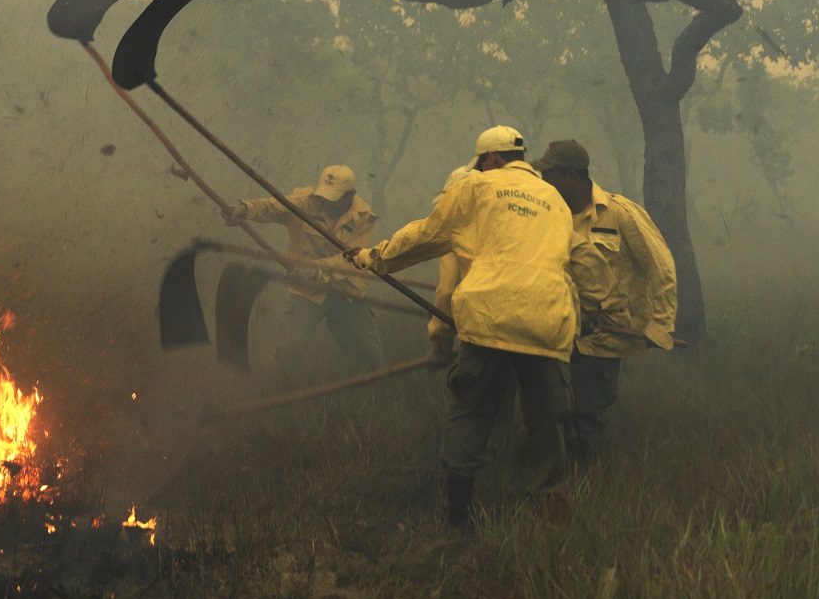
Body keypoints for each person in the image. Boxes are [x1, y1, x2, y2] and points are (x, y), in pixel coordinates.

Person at [347, 126, 610, 530]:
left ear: (488, 159)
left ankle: (458, 517)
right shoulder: (555, 202)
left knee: (471, 412)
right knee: (546, 422)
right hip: (547, 323)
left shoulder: (475, 188)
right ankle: (544, 512)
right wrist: (592, 308)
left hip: (489, 318)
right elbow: (583, 262)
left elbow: (424, 236)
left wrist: (372, 259)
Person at [531, 138, 677, 467]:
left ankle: (592, 483)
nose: (543, 182)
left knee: (588, 412)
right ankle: (564, 477)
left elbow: (661, 270)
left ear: (570, 176)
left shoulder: (619, 214)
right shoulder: (548, 216)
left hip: (605, 337)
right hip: (560, 334)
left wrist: (660, 326)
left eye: (549, 175)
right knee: (556, 411)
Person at [225, 164, 384, 378]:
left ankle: (365, 390)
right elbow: (274, 207)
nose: (326, 202)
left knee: (373, 360)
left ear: (351, 196)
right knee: (289, 352)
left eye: (334, 198)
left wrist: (317, 271)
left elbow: (351, 260)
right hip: (306, 291)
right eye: (324, 196)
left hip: (346, 292)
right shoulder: (305, 202)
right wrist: (246, 210)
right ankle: (282, 387)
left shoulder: (364, 217)